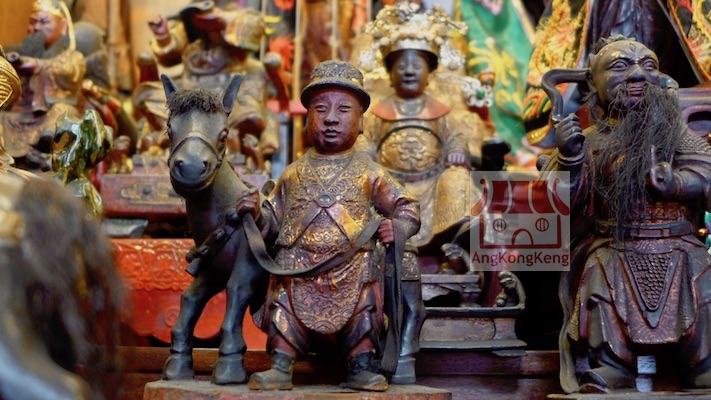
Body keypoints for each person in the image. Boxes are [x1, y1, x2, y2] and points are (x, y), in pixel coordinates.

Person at [540, 36, 711, 393]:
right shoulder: (590, 141)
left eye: (648, 66)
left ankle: (702, 364)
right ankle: (613, 365)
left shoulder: (678, 137)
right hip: (614, 246)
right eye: (620, 66)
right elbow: (557, 204)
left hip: (680, 245)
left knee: (704, 289)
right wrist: (569, 158)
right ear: (593, 82)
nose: (637, 75)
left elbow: (706, 173)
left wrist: (677, 183)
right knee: (599, 289)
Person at [242, 60, 420, 391]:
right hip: (297, 268)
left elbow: (407, 206)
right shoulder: (293, 172)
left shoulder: (370, 172)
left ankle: (360, 366)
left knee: (364, 301)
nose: (331, 118)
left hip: (352, 267)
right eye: (321, 109)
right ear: (307, 119)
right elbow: (272, 221)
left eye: (344, 109)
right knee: (283, 301)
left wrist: (397, 227)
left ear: (361, 121)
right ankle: (281, 364)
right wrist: (255, 214)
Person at [355, 2, 484, 382]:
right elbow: (363, 142)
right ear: (389, 70)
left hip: (432, 186)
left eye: (417, 63)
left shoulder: (444, 111)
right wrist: (366, 158)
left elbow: (460, 136)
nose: (409, 69)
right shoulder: (376, 112)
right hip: (391, 190)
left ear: (430, 71)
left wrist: (458, 149)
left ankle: (451, 250)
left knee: (458, 180)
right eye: (401, 63)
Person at [144, 2, 278, 171]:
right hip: (189, 86)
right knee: (151, 98)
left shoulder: (242, 15)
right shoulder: (190, 19)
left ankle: (230, 142)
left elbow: (251, 36)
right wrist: (163, 34)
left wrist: (221, 20)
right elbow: (170, 56)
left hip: (225, 85)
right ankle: (169, 140)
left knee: (247, 114)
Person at [0, 0, 85, 171]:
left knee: (63, 114)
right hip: (18, 115)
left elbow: (68, 70)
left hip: (48, 114)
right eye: (33, 22)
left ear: (63, 26)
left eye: (44, 22)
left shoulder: (73, 56)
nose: (37, 27)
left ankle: (47, 146)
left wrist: (37, 66)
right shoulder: (17, 52)